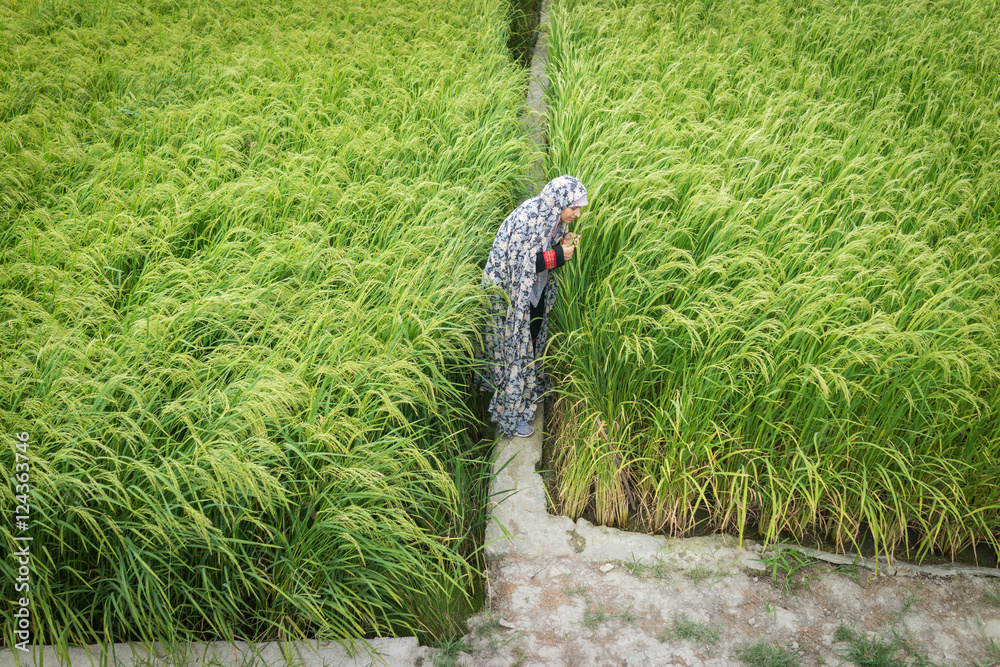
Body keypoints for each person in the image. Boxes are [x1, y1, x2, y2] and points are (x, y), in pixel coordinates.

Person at [475, 175, 588, 438]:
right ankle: (510, 418)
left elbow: (539, 252)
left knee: (532, 339)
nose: (577, 213)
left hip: (530, 290)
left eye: (579, 207)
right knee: (513, 352)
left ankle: (526, 393)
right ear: (560, 202)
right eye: (573, 207)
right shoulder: (529, 218)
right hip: (507, 295)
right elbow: (521, 265)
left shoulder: (552, 217)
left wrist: (562, 245)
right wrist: (559, 255)